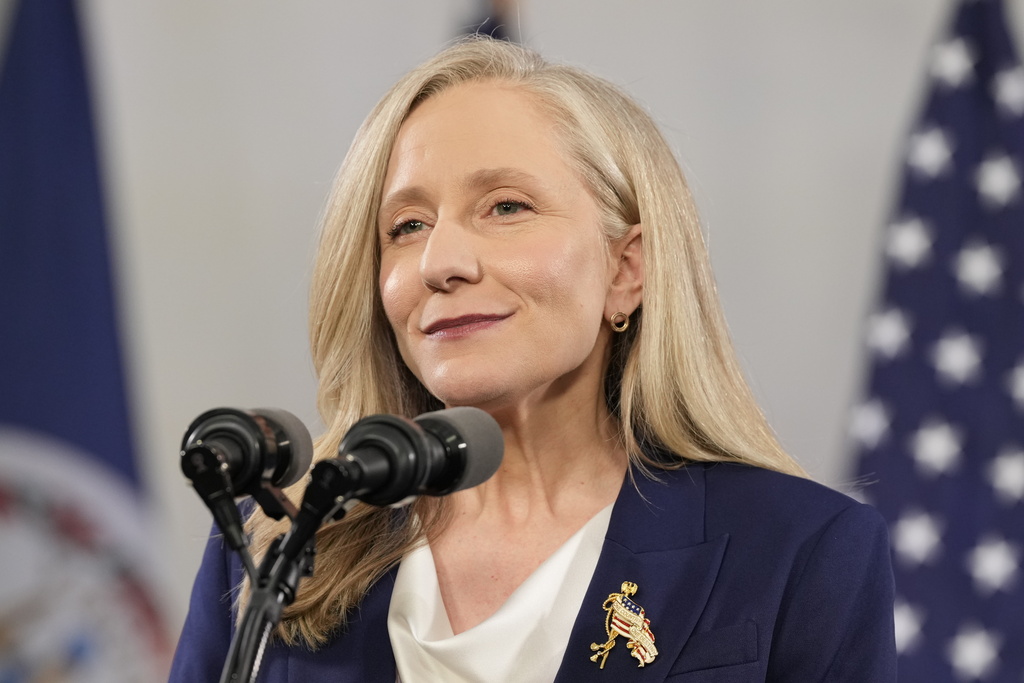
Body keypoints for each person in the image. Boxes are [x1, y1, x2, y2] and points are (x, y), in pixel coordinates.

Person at [170, 36, 896, 681]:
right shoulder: (277, 542)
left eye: (506, 207)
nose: (440, 262)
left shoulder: (801, 551)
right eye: (408, 225)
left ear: (626, 269)